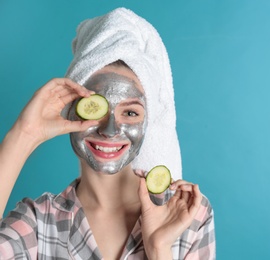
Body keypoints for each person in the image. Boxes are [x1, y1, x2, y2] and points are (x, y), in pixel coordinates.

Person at [0, 7, 215, 260]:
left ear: (149, 122)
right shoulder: (37, 222)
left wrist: (158, 248)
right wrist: (24, 134)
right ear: (71, 111)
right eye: (95, 109)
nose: (110, 130)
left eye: (131, 113)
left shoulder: (188, 213)